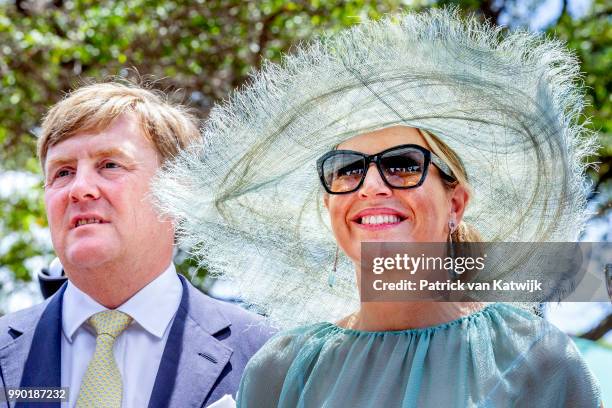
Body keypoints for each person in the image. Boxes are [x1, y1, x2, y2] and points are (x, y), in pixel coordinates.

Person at [153, 9, 603, 407]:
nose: (370, 186)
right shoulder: (284, 369)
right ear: (331, 206)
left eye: (403, 164)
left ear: (456, 202)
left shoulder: (534, 360)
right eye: (346, 169)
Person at [0, 81, 274, 408]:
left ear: (177, 192)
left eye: (110, 165)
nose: (79, 188)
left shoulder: (268, 355)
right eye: (62, 172)